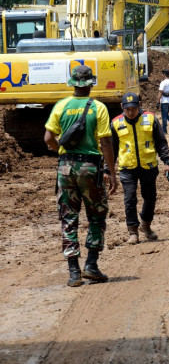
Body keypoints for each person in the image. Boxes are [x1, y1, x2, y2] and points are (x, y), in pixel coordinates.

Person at [44, 65, 117, 287]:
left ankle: (74, 273)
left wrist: (63, 153)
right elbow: (105, 141)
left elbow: (48, 138)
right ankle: (91, 266)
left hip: (65, 168)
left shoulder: (61, 106)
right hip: (90, 168)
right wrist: (112, 172)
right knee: (96, 216)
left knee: (68, 219)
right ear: (91, 83)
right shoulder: (99, 108)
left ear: (72, 83)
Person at [110, 92, 169, 244]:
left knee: (150, 198)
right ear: (122, 107)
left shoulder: (150, 119)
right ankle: (133, 231)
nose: (130, 112)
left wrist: (167, 162)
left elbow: (161, 142)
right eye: (127, 109)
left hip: (148, 166)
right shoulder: (116, 123)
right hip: (127, 168)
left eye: (134, 108)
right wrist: (107, 169)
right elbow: (111, 149)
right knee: (129, 199)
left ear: (139, 106)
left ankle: (146, 224)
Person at [158, 69, 169, 134]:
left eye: (162, 74)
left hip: (164, 101)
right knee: (166, 115)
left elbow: (160, 92)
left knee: (164, 116)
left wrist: (158, 101)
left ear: (164, 75)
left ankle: (164, 130)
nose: (162, 76)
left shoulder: (163, 82)